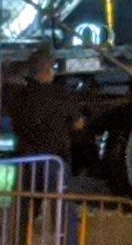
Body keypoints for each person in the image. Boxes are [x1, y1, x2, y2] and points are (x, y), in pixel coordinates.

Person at [8, 48, 82, 178]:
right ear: (47, 69)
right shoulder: (60, 95)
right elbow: (77, 124)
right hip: (54, 157)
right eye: (53, 68)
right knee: (54, 196)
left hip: (25, 158)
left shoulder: (19, 95)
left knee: (28, 196)